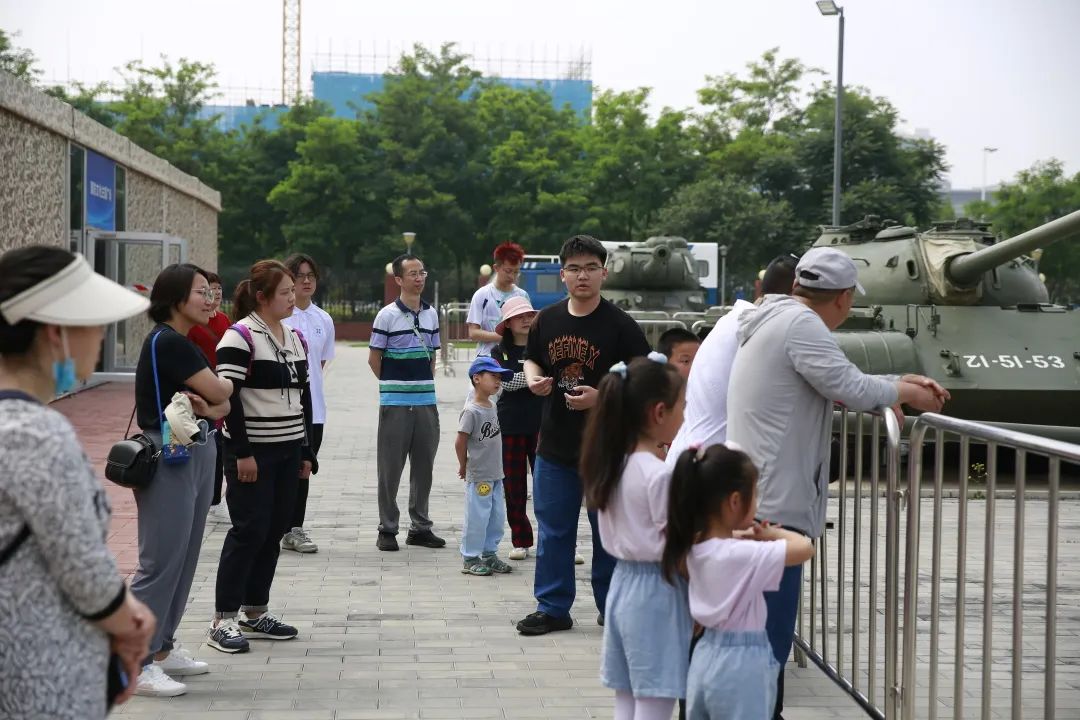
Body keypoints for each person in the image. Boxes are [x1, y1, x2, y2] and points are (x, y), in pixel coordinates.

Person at [727, 247, 950, 719]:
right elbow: (848, 387)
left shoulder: (776, 317)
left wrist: (893, 382)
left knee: (760, 635)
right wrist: (904, 392)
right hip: (775, 503)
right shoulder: (801, 326)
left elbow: (835, 378)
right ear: (845, 298)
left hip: (759, 492)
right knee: (767, 638)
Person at [0, 246, 156, 718]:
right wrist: (134, 623)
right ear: (55, 333)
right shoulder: (35, 433)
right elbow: (84, 571)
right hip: (40, 678)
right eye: (95, 325)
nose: (102, 339)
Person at [516, 234, 651, 636]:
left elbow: (644, 380)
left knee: (608, 533)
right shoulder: (548, 319)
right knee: (554, 532)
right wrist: (535, 379)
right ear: (562, 275)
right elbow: (532, 359)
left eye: (591, 267)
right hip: (554, 448)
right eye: (574, 268)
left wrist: (602, 396)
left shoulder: (621, 325)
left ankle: (613, 608)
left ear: (604, 273)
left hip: (606, 449)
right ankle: (553, 607)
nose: (583, 275)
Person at [130, 264, 234, 696]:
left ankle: (162, 647)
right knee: (160, 562)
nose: (209, 300)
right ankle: (134, 662)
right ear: (174, 298)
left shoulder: (181, 342)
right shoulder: (169, 342)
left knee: (186, 556)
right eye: (199, 293)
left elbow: (218, 406)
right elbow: (223, 391)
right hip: (168, 455)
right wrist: (218, 396)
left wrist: (213, 406)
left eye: (210, 293)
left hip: (191, 448)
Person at [207, 259, 317, 654]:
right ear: (262, 296)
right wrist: (241, 453)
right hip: (253, 452)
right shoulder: (240, 337)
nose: (293, 297)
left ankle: (256, 611)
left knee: (274, 530)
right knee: (248, 530)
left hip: (289, 451)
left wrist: (305, 450)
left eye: (294, 291)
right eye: (286, 292)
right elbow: (229, 397)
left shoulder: (293, 336)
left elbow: (301, 397)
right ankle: (222, 619)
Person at [663, 444, 815, 720]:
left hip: (703, 656)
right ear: (735, 501)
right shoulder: (742, 555)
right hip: (742, 664)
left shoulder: (692, 548)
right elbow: (804, 547)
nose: (757, 504)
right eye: (755, 495)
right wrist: (770, 533)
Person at [581, 353, 690, 720]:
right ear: (660, 413)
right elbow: (677, 545)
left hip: (623, 586)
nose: (685, 415)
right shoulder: (656, 475)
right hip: (657, 592)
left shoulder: (612, 464)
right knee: (656, 696)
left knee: (627, 695)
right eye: (682, 407)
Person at [667, 254, 798, 466]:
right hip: (707, 465)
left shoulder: (735, 320)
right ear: (795, 292)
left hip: (695, 457)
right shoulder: (755, 327)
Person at [369, 254, 445, 551]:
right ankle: (387, 528)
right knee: (390, 468)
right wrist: (393, 387)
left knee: (424, 467)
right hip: (395, 404)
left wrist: (422, 383)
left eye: (422, 272)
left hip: (426, 402)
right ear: (398, 280)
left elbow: (433, 355)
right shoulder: (386, 315)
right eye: (412, 273)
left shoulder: (431, 313)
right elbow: (374, 358)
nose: (419, 278)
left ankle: (420, 526)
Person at [281, 253, 336, 554]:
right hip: (280, 408)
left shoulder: (323, 319)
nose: (305, 280)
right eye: (299, 275)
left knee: (304, 468)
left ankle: (294, 529)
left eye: (310, 275)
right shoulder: (280, 317)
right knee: (279, 468)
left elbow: (321, 362)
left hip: (313, 408)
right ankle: (274, 524)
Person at [489, 296, 541, 560]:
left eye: (529, 315)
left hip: (542, 425)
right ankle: (521, 540)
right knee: (514, 487)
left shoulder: (542, 347)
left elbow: (553, 376)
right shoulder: (499, 352)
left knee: (548, 486)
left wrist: (524, 378)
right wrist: (534, 379)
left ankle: (559, 542)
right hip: (510, 426)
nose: (526, 319)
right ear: (507, 323)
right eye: (519, 316)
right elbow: (504, 382)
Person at [456, 356, 515, 576]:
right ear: (477, 379)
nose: (498, 382)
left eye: (500, 378)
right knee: (477, 516)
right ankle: (471, 557)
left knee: (496, 517)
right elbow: (460, 440)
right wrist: (464, 465)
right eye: (494, 377)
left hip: (495, 473)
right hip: (479, 474)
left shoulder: (492, 405)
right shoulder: (471, 411)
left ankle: (490, 553)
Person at [187, 271, 232, 523]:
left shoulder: (225, 320)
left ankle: (214, 500)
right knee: (200, 442)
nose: (213, 296)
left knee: (218, 445)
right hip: (197, 389)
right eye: (207, 290)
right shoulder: (192, 325)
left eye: (217, 290)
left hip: (219, 385)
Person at [466, 241, 529, 357]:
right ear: (496, 268)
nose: (512, 276)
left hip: (514, 357)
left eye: (516, 272)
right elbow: (473, 332)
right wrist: (504, 337)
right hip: (487, 357)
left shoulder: (522, 295)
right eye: (508, 271)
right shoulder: (482, 295)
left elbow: (528, 329)